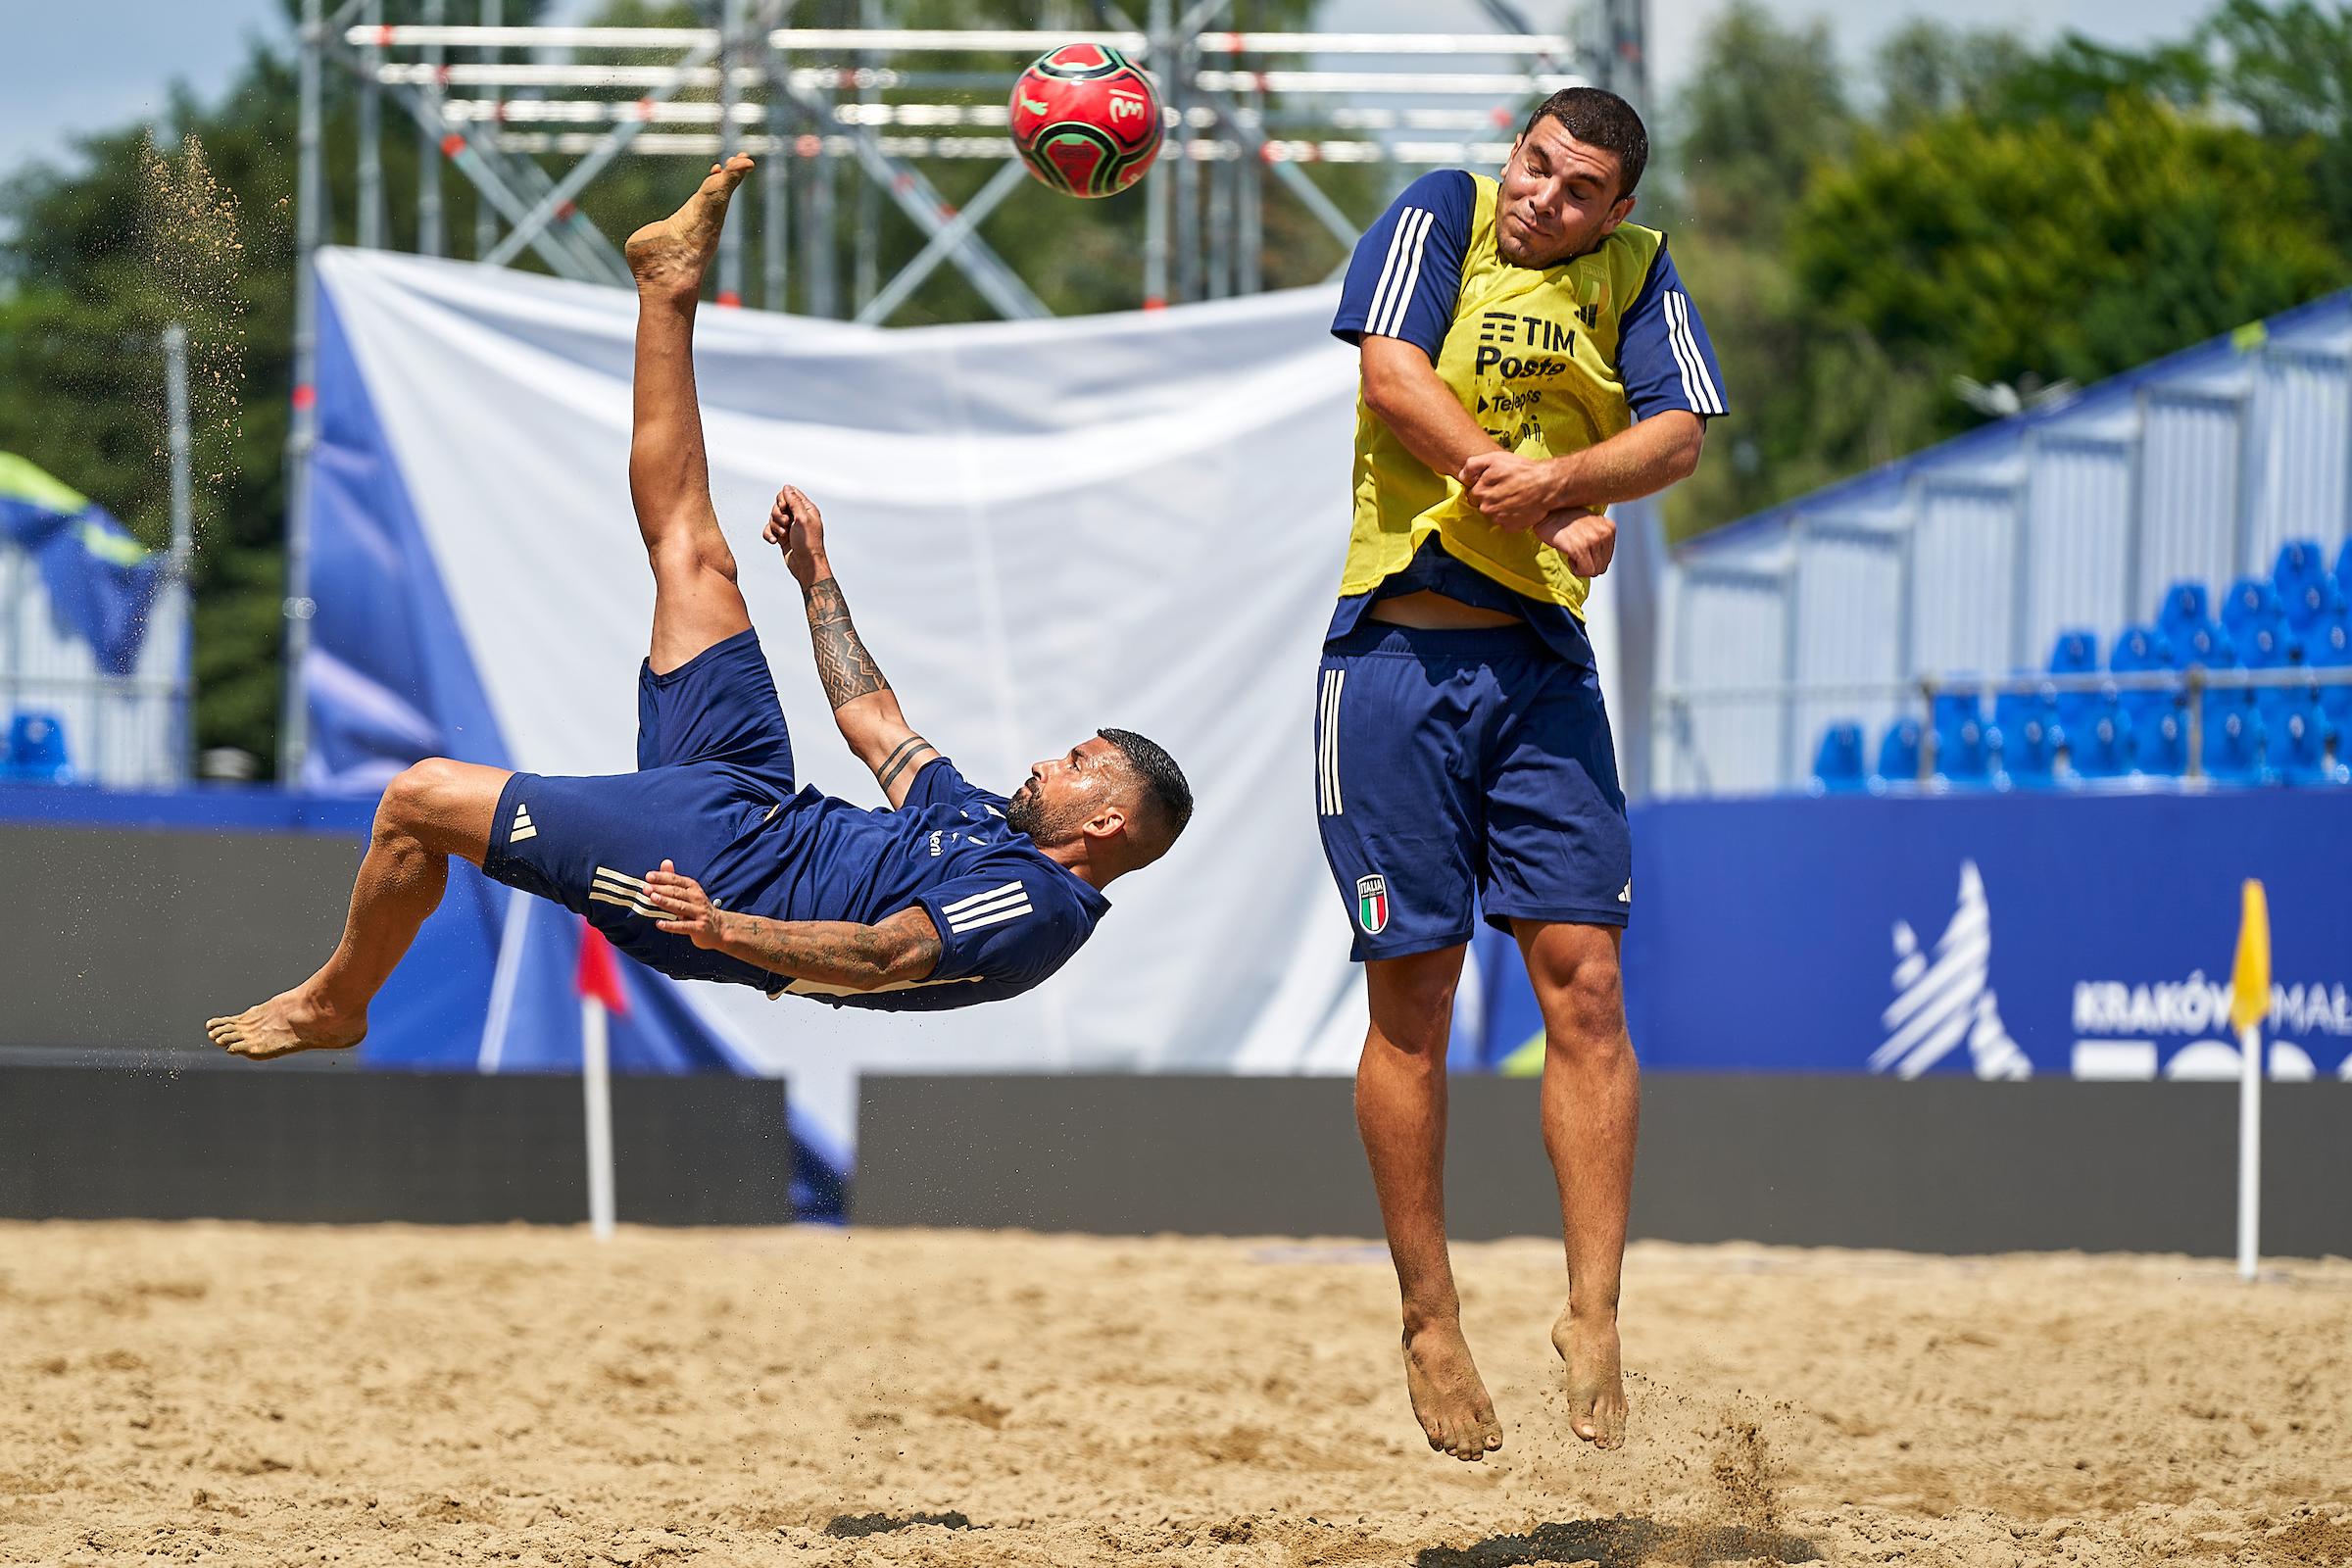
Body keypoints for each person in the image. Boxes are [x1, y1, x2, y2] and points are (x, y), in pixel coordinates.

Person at [208, 157, 1191, 1060]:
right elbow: (873, 723)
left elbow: (882, 955)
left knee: (420, 797)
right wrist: (817, 580)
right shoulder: (982, 822)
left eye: (1073, 766)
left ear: (1106, 823)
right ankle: (667, 284)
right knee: (693, 548)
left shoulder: (1037, 900)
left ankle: (336, 1003)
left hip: (705, 877)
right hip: (747, 795)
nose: (1042, 761)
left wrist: (726, 928)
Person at [1315, 89, 1725, 1461]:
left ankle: (1593, 1314)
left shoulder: (1639, 272)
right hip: (1393, 664)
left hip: (1541, 667)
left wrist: (1563, 489)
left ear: (1616, 205)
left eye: (1578, 184)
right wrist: (1518, 476)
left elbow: (1678, 437)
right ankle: (1430, 1319)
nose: (1545, 193)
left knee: (1590, 986)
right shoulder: (1444, 208)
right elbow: (1388, 371)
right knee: (1415, 996)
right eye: (1536, 163)